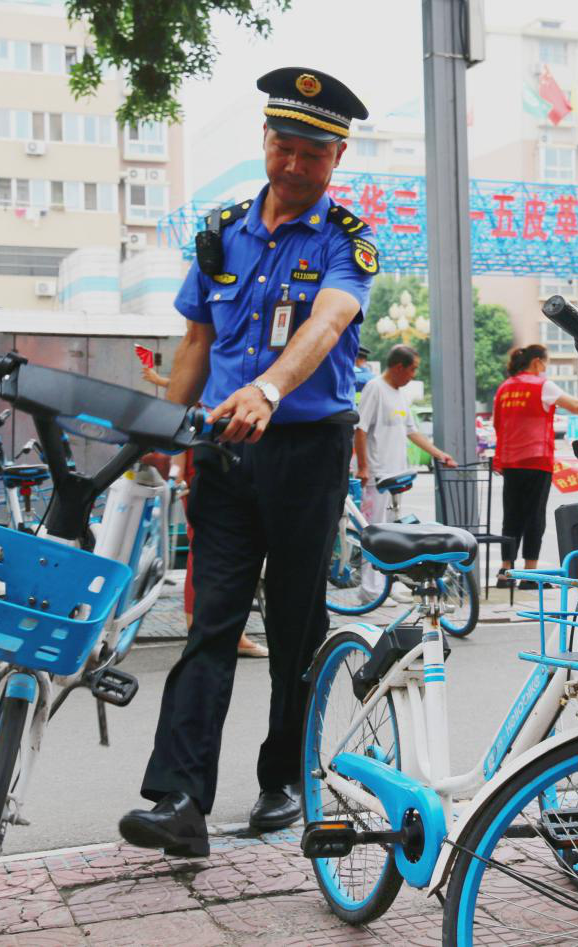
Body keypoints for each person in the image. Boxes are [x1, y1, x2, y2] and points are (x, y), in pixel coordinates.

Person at [118, 66, 375, 858]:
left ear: (338, 157)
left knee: (296, 624)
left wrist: (268, 388)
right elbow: (196, 343)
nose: (295, 164)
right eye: (284, 145)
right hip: (225, 454)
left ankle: (285, 777)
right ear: (265, 139)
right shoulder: (221, 231)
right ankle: (180, 799)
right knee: (213, 623)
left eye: (314, 153)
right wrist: (163, 437)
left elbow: (328, 321)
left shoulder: (347, 240)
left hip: (307, 450)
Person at [142, 362, 268, 658]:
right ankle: (214, 629)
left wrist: (159, 380)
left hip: (199, 464)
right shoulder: (224, 375)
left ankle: (206, 626)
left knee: (205, 550)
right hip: (205, 464)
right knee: (211, 551)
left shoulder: (215, 376)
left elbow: (193, 385)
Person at [492, 343, 578, 586]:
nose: (545, 368)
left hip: (511, 462)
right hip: (536, 461)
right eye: (546, 363)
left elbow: (498, 424)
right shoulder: (542, 386)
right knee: (534, 516)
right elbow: (576, 405)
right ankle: (530, 575)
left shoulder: (504, 388)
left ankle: (505, 572)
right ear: (537, 362)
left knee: (512, 516)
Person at [354, 344, 456, 599]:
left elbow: (412, 431)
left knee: (391, 533)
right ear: (399, 367)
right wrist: (363, 467)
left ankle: (385, 586)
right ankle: (369, 589)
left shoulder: (400, 394)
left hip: (396, 474)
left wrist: (439, 454)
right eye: (412, 369)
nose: (413, 375)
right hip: (376, 475)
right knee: (374, 531)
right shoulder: (375, 388)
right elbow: (360, 429)